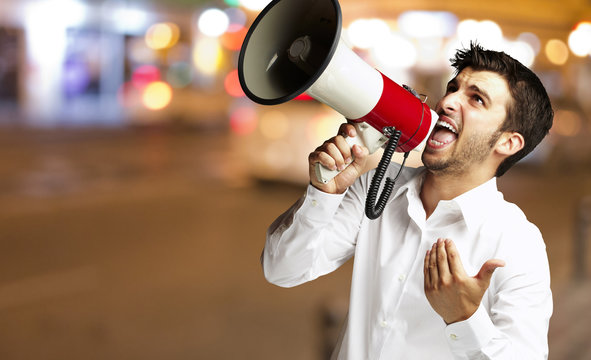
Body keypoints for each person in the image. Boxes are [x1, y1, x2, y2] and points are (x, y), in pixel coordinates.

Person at [262, 43, 554, 359]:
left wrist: (465, 318)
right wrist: (323, 194)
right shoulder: (377, 187)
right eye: (453, 88)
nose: (448, 102)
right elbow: (281, 270)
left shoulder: (517, 243)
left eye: (476, 99)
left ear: (508, 142)